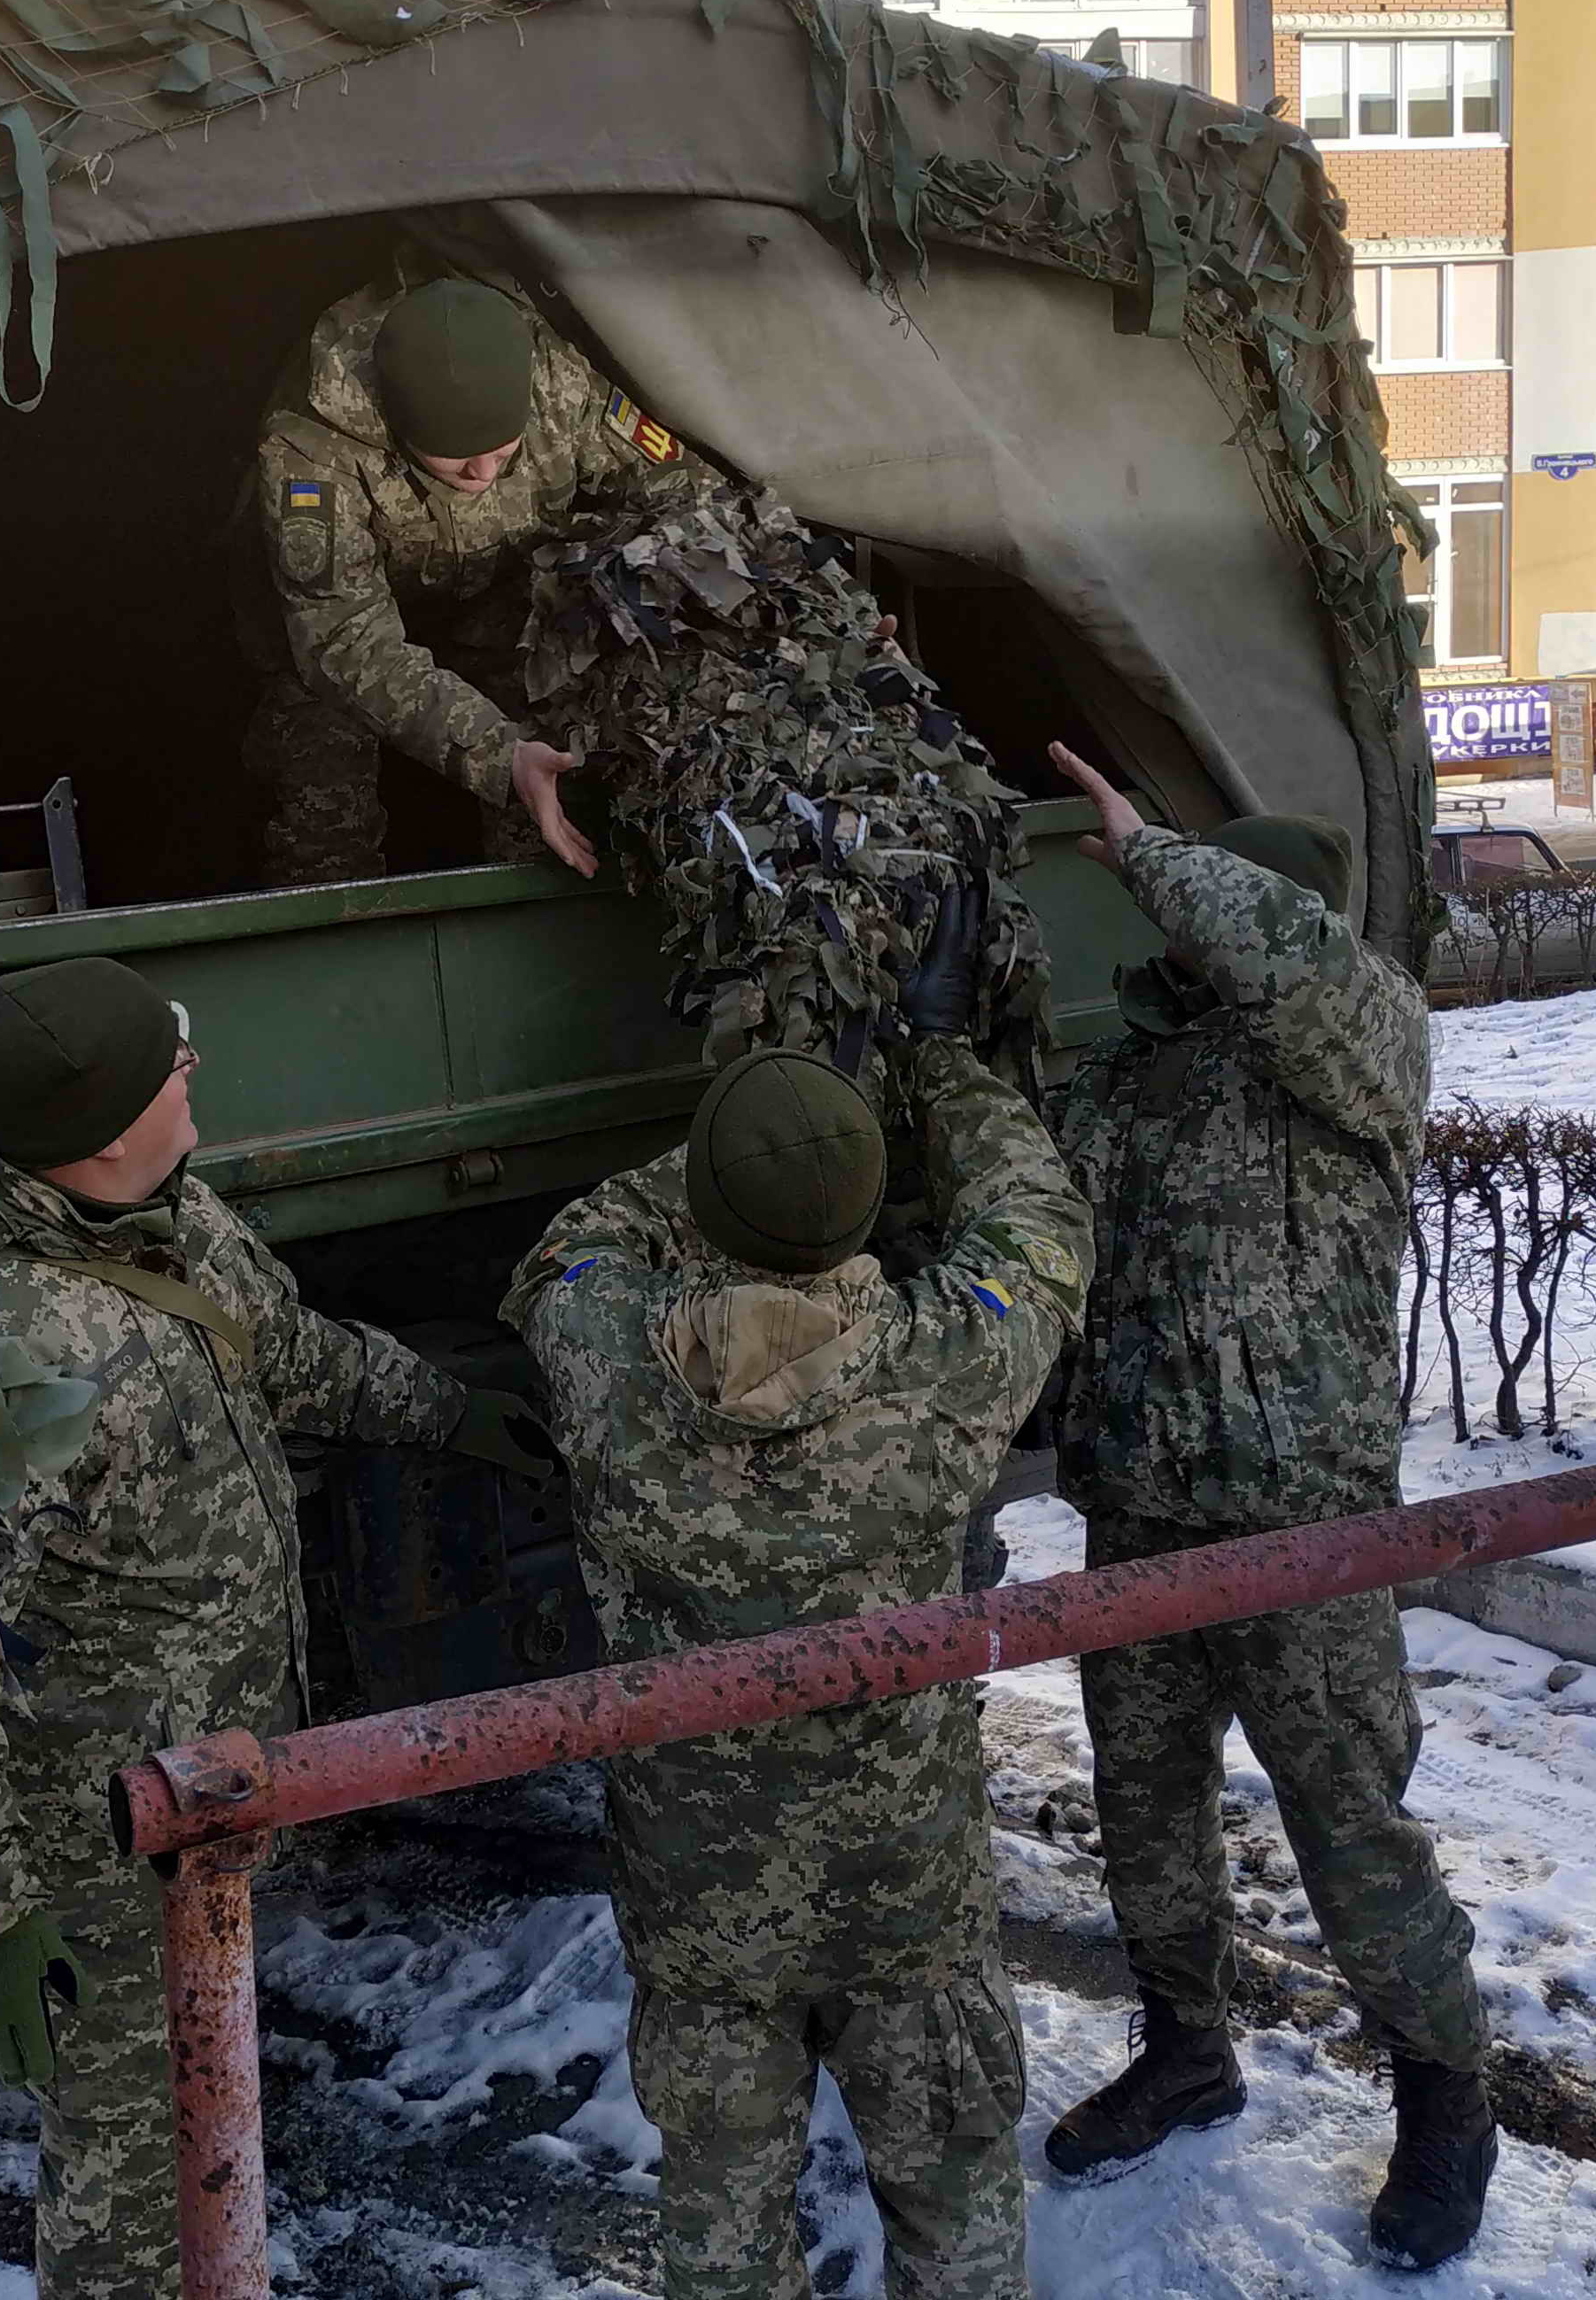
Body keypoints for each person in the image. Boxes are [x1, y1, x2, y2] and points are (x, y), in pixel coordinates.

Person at [0, 954, 542, 2300]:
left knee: (202, 2132)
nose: (197, 1068)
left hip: (211, 1796)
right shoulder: (8, 1345)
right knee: (123, 2188)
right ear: (110, 1129)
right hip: (105, 1834)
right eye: (171, 1063)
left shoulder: (158, 1215)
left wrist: (455, 1412)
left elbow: (283, 1352)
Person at [498, 893, 1090, 2300]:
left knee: (721, 2227)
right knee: (954, 2203)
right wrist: (931, 1060)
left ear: (697, 1210)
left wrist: (731, 1150)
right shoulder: (955, 1365)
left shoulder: (602, 1360)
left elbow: (567, 1248)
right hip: (909, 1896)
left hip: (703, 1908)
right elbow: (1037, 1217)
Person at [1034, 741, 1496, 2270]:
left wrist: (1149, 851)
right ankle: (1183, 2043)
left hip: (1305, 1532)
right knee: (1145, 1816)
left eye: (1208, 904)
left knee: (1352, 1826)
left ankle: (1447, 2100)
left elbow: (1292, 964)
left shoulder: (1362, 1042)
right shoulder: (1133, 1076)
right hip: (1141, 1521)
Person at [244, 267, 721, 885]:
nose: (480, 475)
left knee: (553, 808)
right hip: (329, 647)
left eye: (501, 452)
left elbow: (687, 495)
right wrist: (499, 755)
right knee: (324, 821)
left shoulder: (556, 380)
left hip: (500, 611)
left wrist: (793, 608)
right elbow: (346, 639)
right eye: (457, 456)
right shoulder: (309, 450)